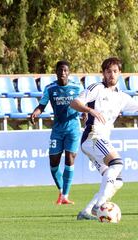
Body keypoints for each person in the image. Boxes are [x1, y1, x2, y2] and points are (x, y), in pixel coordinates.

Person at [70, 57, 138, 220]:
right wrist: (90, 110)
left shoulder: (122, 97)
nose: (111, 74)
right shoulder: (96, 88)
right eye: (108, 71)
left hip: (99, 140)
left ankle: (86, 212)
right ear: (103, 73)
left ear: (120, 73)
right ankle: (100, 206)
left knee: (116, 180)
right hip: (92, 136)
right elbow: (75, 103)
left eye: (115, 71)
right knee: (117, 163)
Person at [30, 60, 83, 205]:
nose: (63, 73)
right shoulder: (50, 88)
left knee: (70, 158)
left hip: (73, 128)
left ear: (69, 72)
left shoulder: (77, 87)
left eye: (65, 70)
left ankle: (65, 195)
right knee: (53, 163)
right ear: (56, 72)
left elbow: (86, 103)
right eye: (60, 70)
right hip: (57, 129)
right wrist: (35, 112)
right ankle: (62, 191)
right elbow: (42, 105)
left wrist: (86, 112)